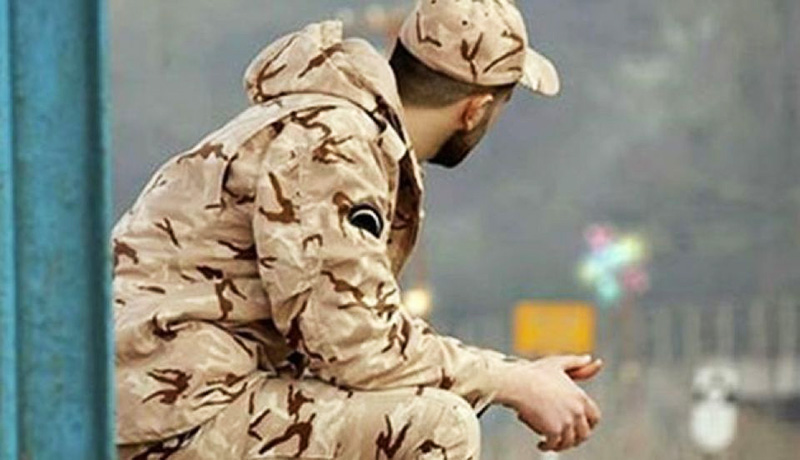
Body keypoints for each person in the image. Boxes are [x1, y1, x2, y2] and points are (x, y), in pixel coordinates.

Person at [114, 1, 603, 458]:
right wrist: (514, 383)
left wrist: (517, 377)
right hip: (174, 413)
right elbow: (357, 344)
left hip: (172, 398)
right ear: (474, 110)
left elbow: (344, 341)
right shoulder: (333, 144)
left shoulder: (334, 127)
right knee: (437, 425)